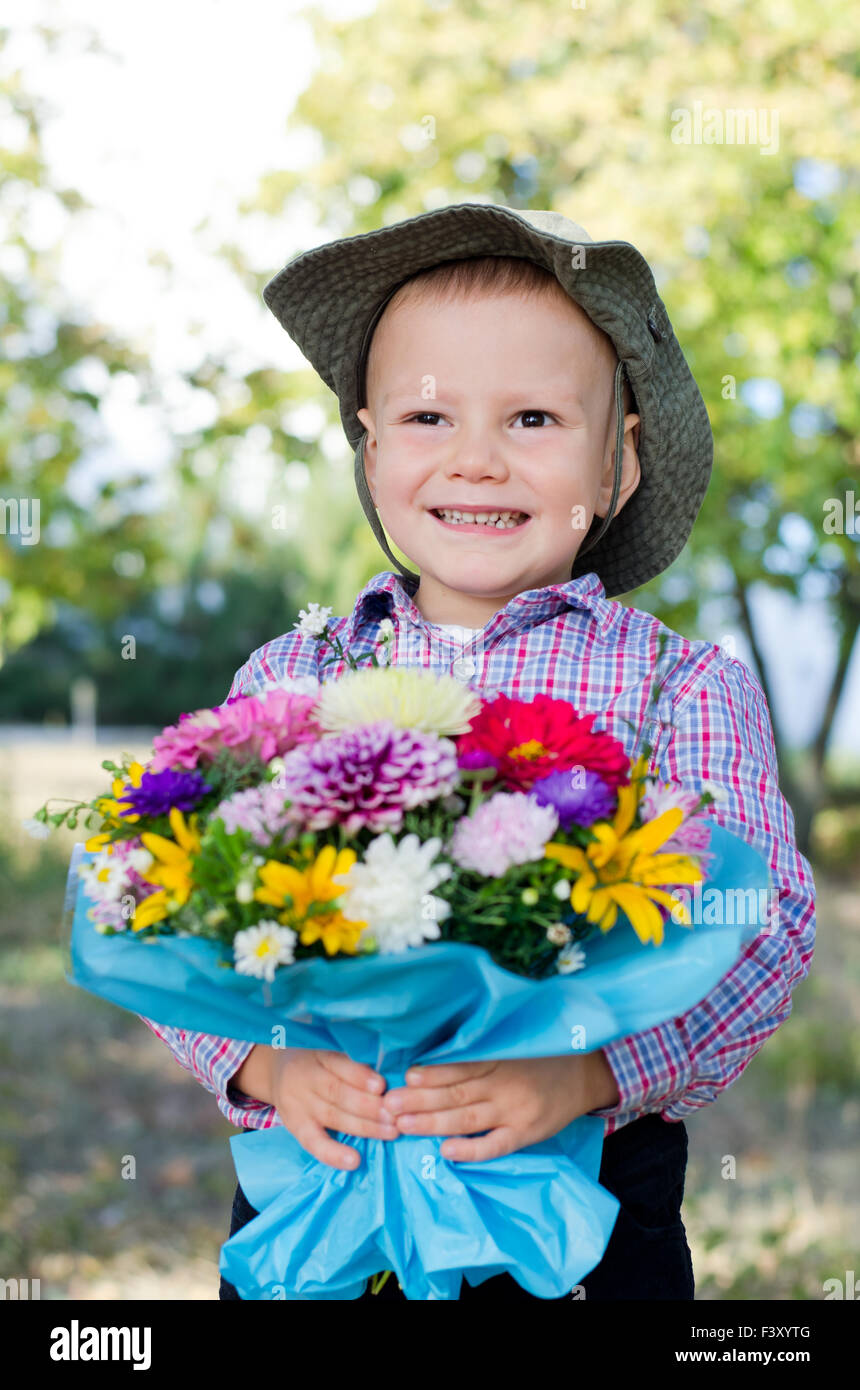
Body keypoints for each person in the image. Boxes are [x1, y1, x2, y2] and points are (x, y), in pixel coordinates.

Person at [139, 204, 816, 1301]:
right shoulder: (287, 682)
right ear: (369, 446)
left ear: (619, 465)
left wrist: (591, 1070)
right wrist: (265, 1062)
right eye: (426, 416)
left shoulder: (677, 688)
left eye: (534, 418)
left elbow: (762, 927)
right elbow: (167, 904)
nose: (476, 459)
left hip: (579, 1191)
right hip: (325, 1176)